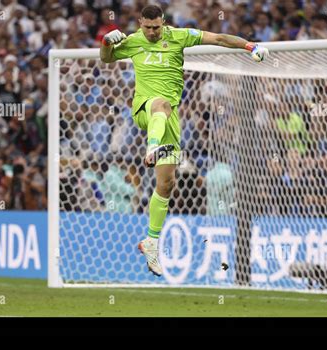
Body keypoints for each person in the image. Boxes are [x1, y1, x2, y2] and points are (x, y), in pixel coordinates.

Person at [100, 4, 268, 276]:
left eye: (156, 27)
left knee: (166, 184)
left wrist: (250, 47)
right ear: (140, 23)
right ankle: (152, 146)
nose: (152, 32)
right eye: (147, 27)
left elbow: (219, 38)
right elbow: (106, 58)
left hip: (169, 119)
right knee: (161, 105)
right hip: (146, 108)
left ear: (163, 22)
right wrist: (107, 41)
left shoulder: (178, 36)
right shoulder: (133, 41)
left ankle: (151, 242)